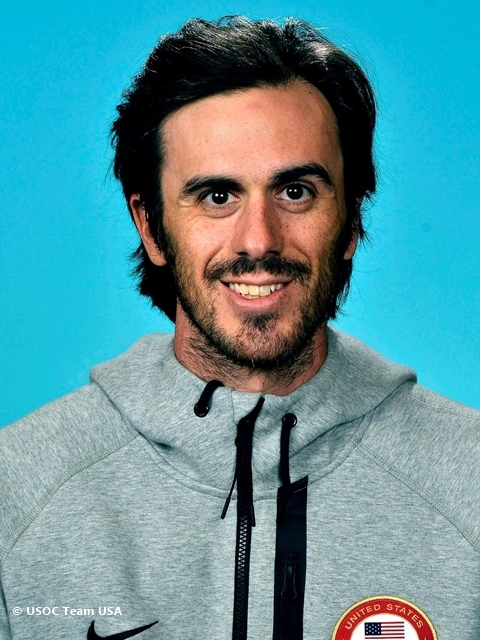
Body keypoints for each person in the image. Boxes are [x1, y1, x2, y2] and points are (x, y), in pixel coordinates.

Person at [0, 15, 478, 640]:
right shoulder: (17, 491)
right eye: (217, 196)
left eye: (296, 191)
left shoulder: (469, 483)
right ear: (150, 227)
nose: (258, 240)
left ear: (352, 220)